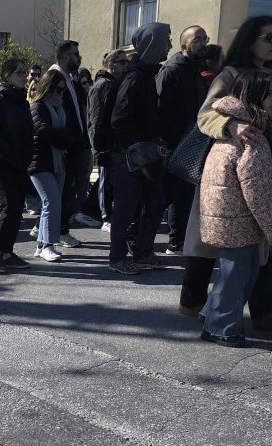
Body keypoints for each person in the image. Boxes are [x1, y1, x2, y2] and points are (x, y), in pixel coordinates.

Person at [180, 15, 272, 329]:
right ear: (250, 39)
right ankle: (198, 301)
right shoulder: (231, 73)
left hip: (268, 165)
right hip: (233, 170)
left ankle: (262, 307)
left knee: (256, 241)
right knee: (223, 239)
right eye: (267, 37)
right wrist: (232, 124)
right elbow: (206, 114)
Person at [198, 71, 272, 346]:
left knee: (236, 271)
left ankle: (212, 315)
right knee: (237, 274)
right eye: (271, 93)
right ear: (256, 95)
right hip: (237, 216)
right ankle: (221, 327)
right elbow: (258, 189)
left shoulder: (240, 126)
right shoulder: (252, 135)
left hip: (228, 213)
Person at [108, 22, 172, 275]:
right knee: (125, 209)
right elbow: (119, 119)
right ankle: (117, 258)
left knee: (155, 204)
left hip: (147, 155)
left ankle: (143, 252)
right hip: (131, 157)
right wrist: (138, 149)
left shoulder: (147, 74)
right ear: (154, 44)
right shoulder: (134, 78)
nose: (169, 44)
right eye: (166, 39)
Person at [157, 25, 210, 255]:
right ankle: (146, 240)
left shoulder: (194, 70)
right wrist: (169, 142)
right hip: (172, 144)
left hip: (190, 143)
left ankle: (177, 241)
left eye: (204, 39)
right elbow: (160, 110)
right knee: (167, 195)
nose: (203, 43)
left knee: (184, 195)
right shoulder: (172, 71)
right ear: (183, 45)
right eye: (197, 39)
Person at [0, 59, 35, 273]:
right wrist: (10, 150)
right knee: (9, 206)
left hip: (18, 162)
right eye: (19, 72)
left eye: (25, 71)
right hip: (1, 161)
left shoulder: (21, 100)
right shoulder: (1, 99)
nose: (25, 75)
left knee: (16, 208)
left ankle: (7, 251)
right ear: (7, 75)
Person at [50, 40, 95, 247]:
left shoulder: (69, 78)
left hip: (76, 142)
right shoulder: (54, 78)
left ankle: (53, 227)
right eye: (76, 54)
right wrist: (67, 140)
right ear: (66, 57)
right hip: (65, 146)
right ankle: (59, 231)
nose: (80, 58)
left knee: (72, 188)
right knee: (66, 190)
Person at [29, 70, 72, 262]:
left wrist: (64, 137)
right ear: (49, 87)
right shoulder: (38, 107)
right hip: (39, 162)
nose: (61, 93)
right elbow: (43, 132)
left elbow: (67, 133)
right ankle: (48, 245)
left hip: (57, 161)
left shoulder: (60, 108)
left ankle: (41, 244)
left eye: (64, 89)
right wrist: (64, 137)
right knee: (51, 202)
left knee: (54, 203)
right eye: (58, 89)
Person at [87, 49, 130, 232]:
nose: (125, 65)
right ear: (111, 65)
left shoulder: (118, 83)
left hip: (117, 141)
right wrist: (98, 146)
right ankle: (105, 217)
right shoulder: (101, 85)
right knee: (105, 180)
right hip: (106, 142)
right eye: (121, 62)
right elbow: (96, 118)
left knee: (115, 181)